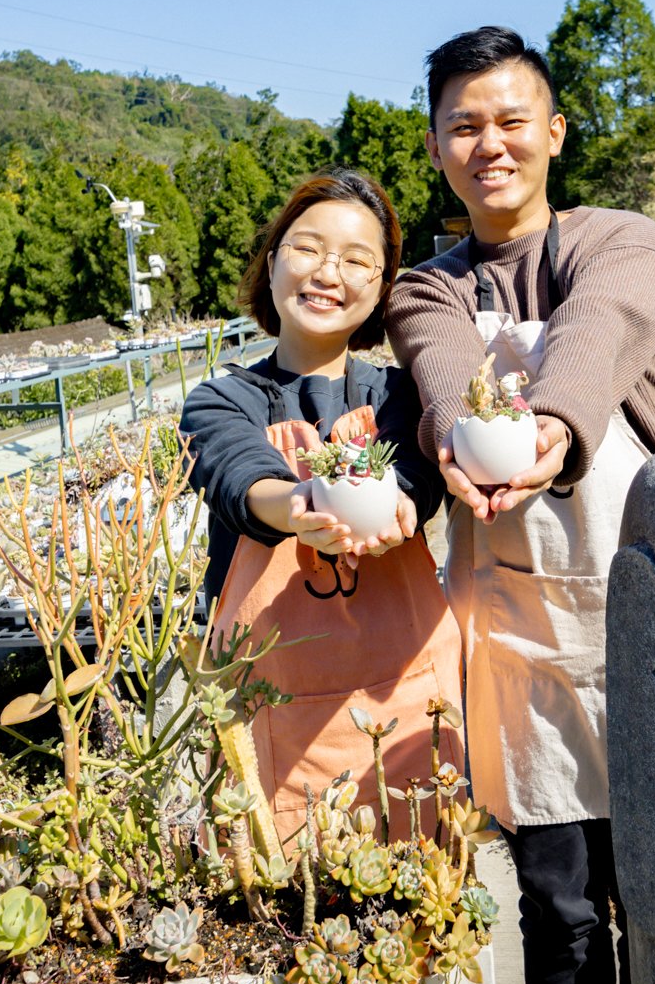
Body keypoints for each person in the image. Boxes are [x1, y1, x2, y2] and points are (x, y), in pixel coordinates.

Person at [387, 25, 655, 984]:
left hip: (647, 626)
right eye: (462, 126)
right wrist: (448, 440)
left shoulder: (619, 242)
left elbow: (597, 329)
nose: (490, 144)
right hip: (520, 648)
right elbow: (441, 377)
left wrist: (552, 423)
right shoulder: (426, 289)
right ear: (435, 148)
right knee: (556, 915)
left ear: (553, 131)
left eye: (511, 119)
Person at [179, 168, 463, 843]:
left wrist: (404, 500)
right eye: (307, 248)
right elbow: (240, 474)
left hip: (406, 699)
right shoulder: (220, 401)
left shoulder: (404, 396)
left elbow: (419, 470)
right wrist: (299, 505)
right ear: (273, 260)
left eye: (357, 259)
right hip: (271, 717)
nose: (328, 271)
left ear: (382, 287)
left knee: (426, 913)